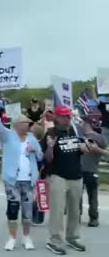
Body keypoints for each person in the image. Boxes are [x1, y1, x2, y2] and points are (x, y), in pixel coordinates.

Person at [0, 108, 43, 251]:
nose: (28, 125)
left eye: (29, 123)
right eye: (26, 123)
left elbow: (40, 156)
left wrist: (35, 150)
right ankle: (12, 237)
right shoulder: (8, 135)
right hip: (12, 181)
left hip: (28, 181)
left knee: (27, 212)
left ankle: (26, 237)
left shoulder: (32, 138)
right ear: (18, 124)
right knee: (13, 209)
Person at [42, 106, 89, 255]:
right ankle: (54, 240)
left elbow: (84, 146)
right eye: (64, 116)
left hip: (76, 175)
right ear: (56, 118)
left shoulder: (75, 130)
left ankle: (72, 237)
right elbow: (47, 158)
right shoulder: (50, 133)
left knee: (75, 210)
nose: (67, 119)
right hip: (58, 176)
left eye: (68, 116)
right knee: (57, 210)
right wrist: (50, 147)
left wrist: (84, 147)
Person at [79, 119, 106, 227]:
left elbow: (106, 151)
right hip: (79, 169)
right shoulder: (78, 136)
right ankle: (77, 216)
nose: (81, 125)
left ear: (88, 124)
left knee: (93, 195)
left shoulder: (99, 138)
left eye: (83, 123)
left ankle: (94, 218)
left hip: (92, 169)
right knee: (77, 195)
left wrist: (97, 149)